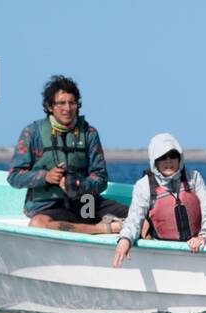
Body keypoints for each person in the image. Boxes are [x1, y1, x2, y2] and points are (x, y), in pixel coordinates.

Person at [8, 75, 127, 234]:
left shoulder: (89, 133)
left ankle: (97, 227)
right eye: (61, 103)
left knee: (139, 215)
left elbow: (101, 179)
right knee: (38, 224)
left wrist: (81, 184)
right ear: (50, 106)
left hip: (85, 203)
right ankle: (101, 229)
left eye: (72, 103)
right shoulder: (32, 133)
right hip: (49, 206)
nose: (68, 108)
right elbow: (14, 177)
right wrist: (46, 177)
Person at [112, 134, 206, 267]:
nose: (168, 161)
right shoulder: (143, 186)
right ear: (154, 161)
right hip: (163, 251)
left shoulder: (194, 178)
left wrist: (202, 237)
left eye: (173, 155)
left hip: (199, 244)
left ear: (180, 158)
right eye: (162, 157)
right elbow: (134, 219)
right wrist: (125, 240)